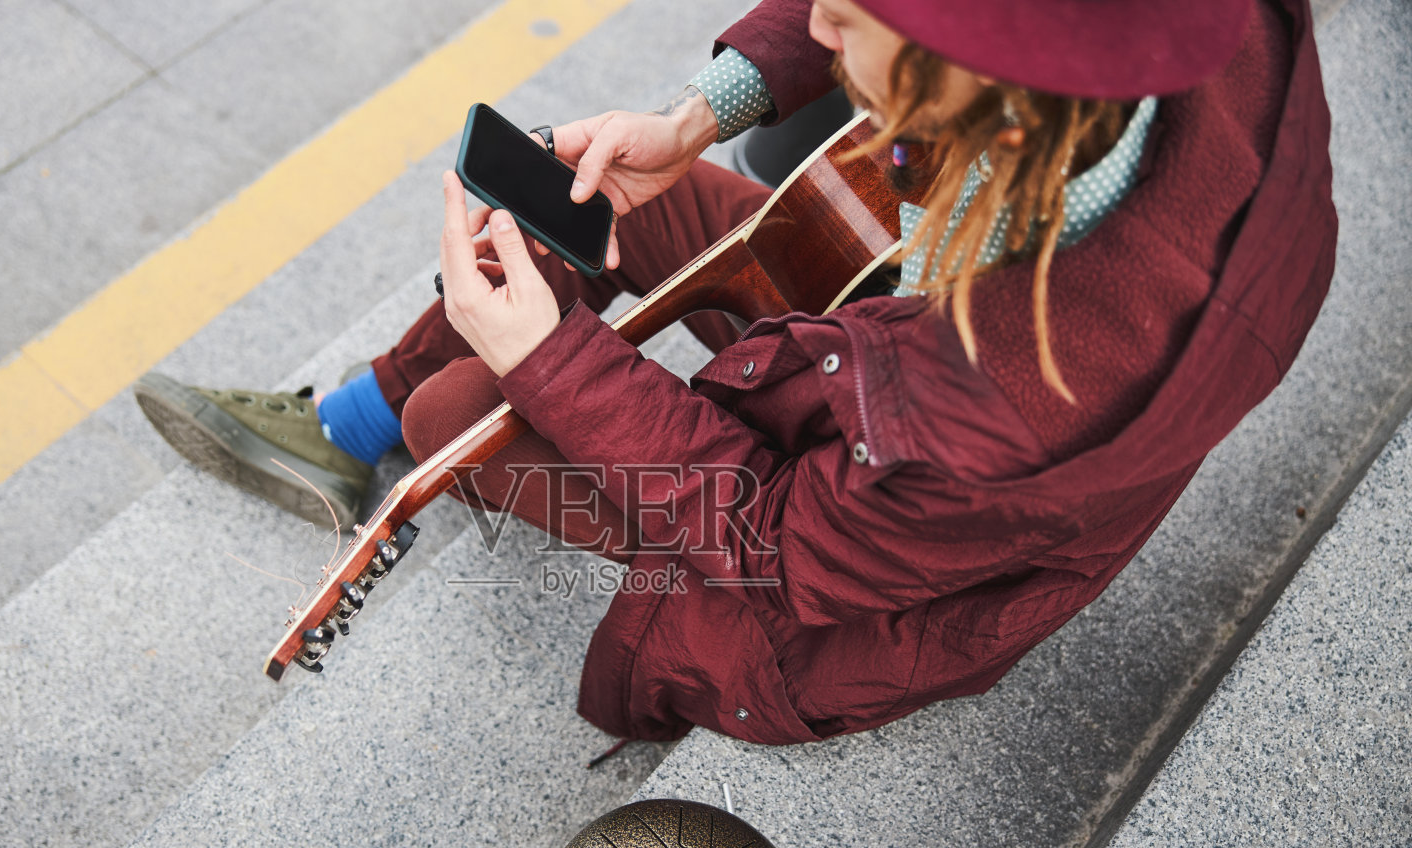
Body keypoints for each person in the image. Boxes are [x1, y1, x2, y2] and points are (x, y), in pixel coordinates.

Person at [136, 0, 1335, 745]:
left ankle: (404, 412)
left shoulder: (1022, 406)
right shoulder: (1193, 36)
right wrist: (701, 117)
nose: (815, 25)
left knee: (468, 410)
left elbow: (770, 545)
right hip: (892, 354)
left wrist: (552, 361)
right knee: (614, 205)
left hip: (848, 589)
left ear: (992, 106)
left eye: (851, 20)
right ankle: (353, 427)